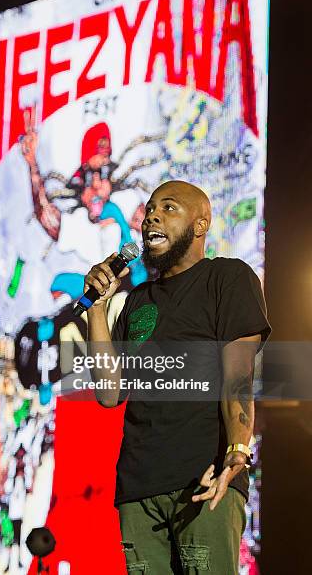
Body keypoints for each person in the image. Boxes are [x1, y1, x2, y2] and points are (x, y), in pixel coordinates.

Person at [84, 180, 271, 574]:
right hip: (138, 488)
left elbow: (237, 374)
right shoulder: (136, 300)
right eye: (150, 208)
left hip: (202, 480)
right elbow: (108, 392)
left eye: (168, 208)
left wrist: (237, 450)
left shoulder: (227, 278)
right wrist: (97, 311)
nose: (152, 215)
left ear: (200, 225)